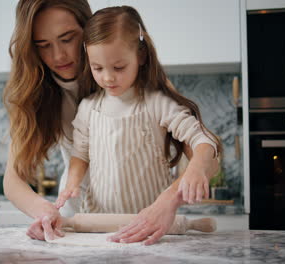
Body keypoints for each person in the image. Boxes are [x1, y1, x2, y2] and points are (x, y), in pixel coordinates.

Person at [55, 5, 222, 245]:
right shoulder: (88, 108)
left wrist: (196, 166)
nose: (108, 77)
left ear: (140, 56)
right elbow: (80, 154)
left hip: (152, 228)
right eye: (97, 68)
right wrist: (72, 183)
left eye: (119, 67)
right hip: (101, 229)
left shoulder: (156, 103)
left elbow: (202, 139)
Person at [3, 0, 93, 241]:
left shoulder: (132, 69)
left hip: (140, 220)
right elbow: (13, 180)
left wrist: (168, 200)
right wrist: (44, 210)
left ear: (89, 28)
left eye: (67, 39)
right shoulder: (37, 93)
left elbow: (205, 149)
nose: (58, 55)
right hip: (77, 226)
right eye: (43, 45)